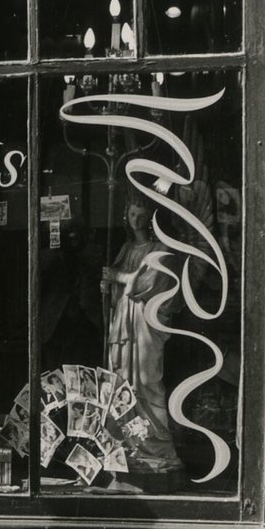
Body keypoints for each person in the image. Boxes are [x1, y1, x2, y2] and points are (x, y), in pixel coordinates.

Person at [101, 195, 181, 471]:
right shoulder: (125, 249)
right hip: (123, 320)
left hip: (145, 324)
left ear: (149, 218)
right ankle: (127, 444)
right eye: (132, 214)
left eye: (141, 214)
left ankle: (157, 446)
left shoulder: (160, 249)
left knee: (147, 379)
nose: (136, 219)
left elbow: (149, 283)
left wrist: (117, 277)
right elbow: (120, 289)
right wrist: (109, 286)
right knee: (121, 379)